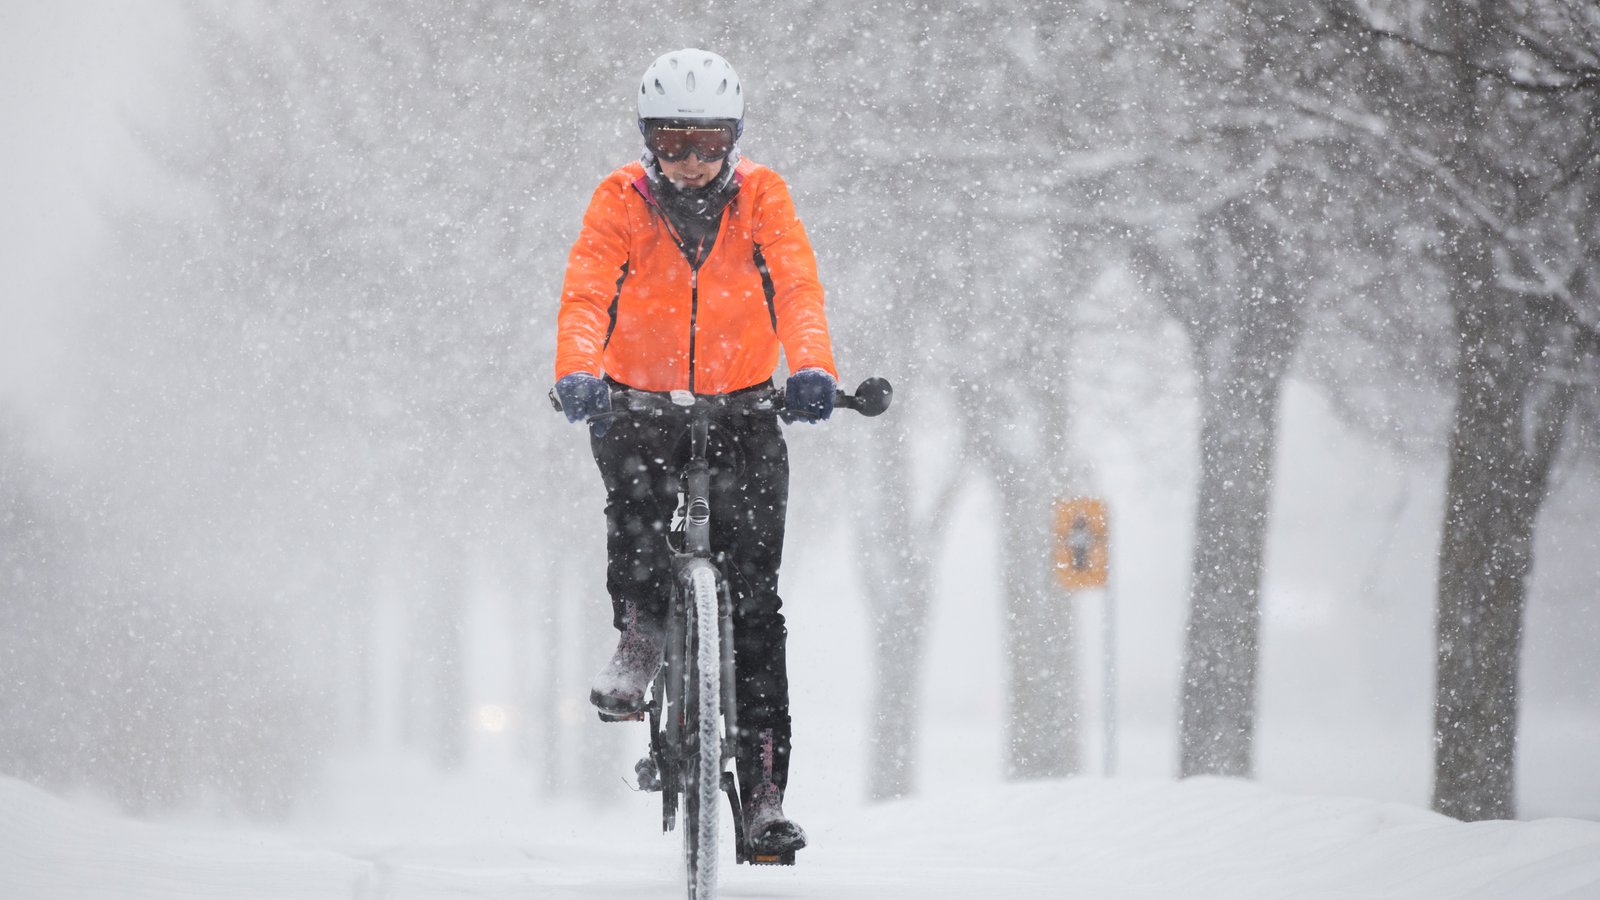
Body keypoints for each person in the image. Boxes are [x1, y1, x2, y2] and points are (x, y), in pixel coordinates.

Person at [552, 48, 839, 855]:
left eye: (707, 143)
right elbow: (586, 291)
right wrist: (578, 373)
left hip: (745, 409)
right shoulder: (618, 201)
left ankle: (764, 796)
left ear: (733, 140)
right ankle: (642, 633)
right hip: (637, 403)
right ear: (648, 142)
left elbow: (797, 283)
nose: (690, 160)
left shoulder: (763, 198)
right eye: (673, 142)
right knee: (637, 513)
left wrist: (813, 368)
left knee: (757, 608)